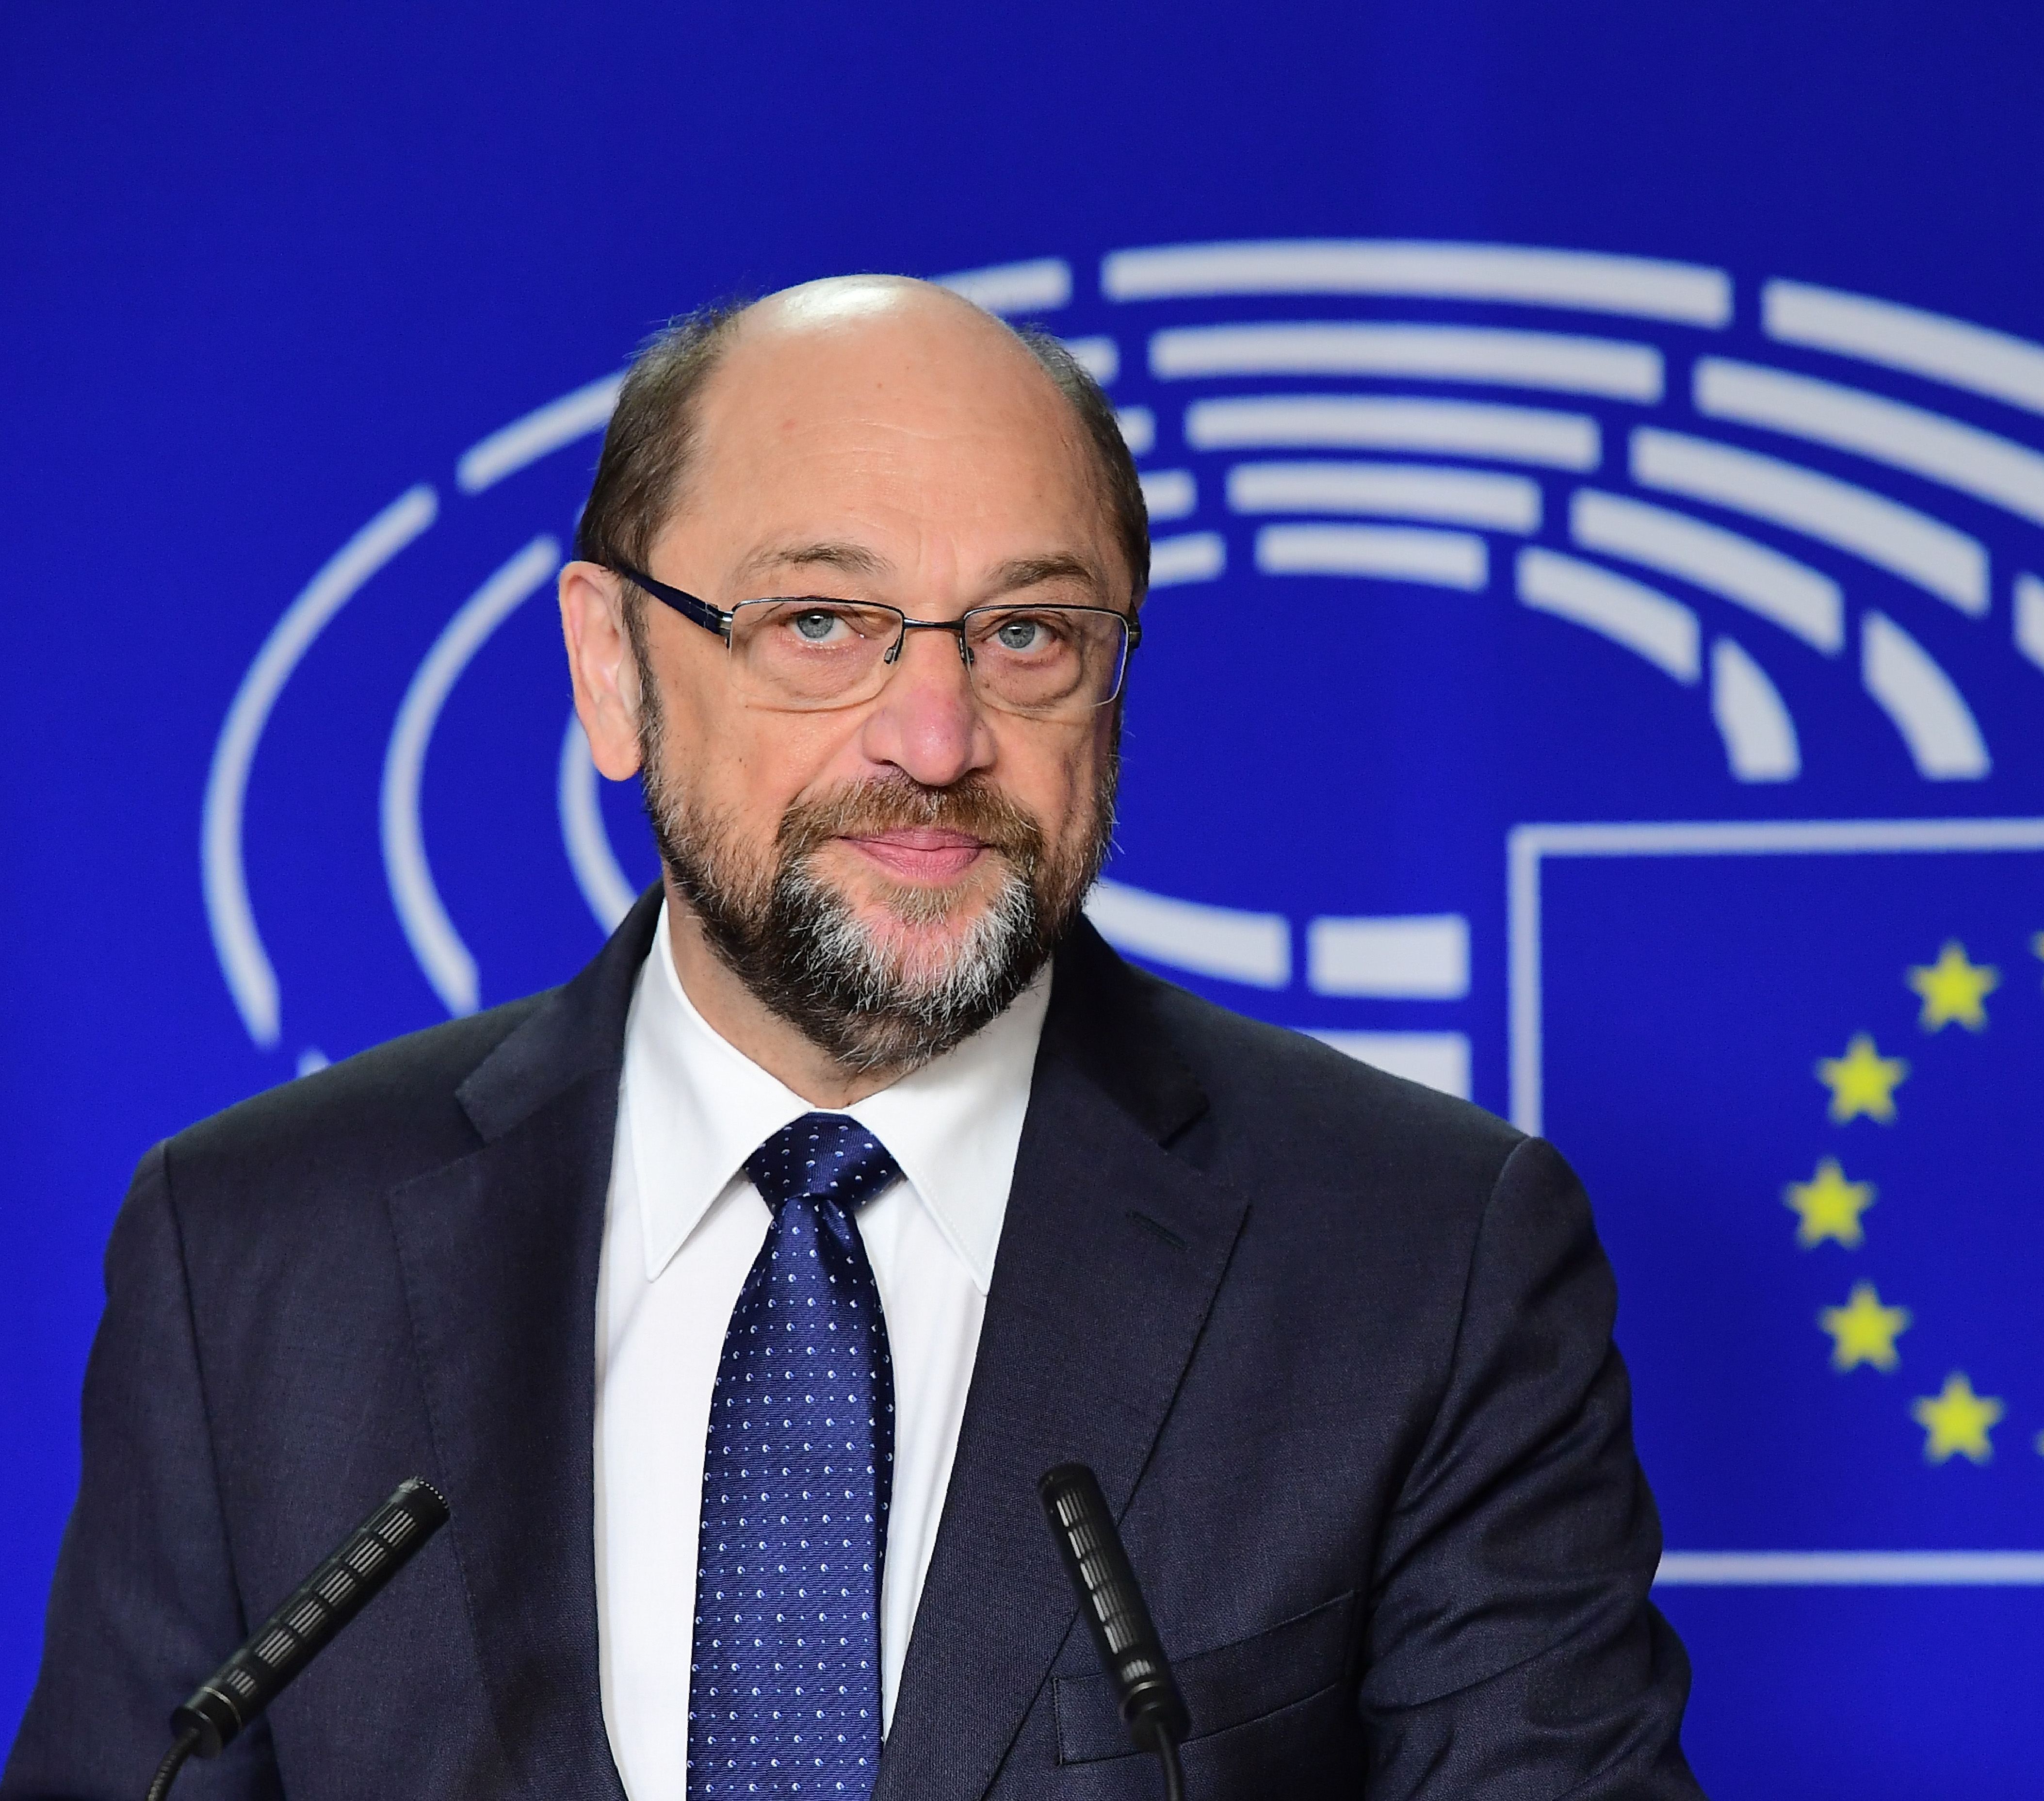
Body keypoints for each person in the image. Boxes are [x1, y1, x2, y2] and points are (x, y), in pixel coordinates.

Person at [3, 277, 1698, 1800]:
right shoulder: (253, 1253)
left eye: (1030, 633)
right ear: (613, 668)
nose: (940, 733)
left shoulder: (1421, 1257)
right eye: (821, 621)